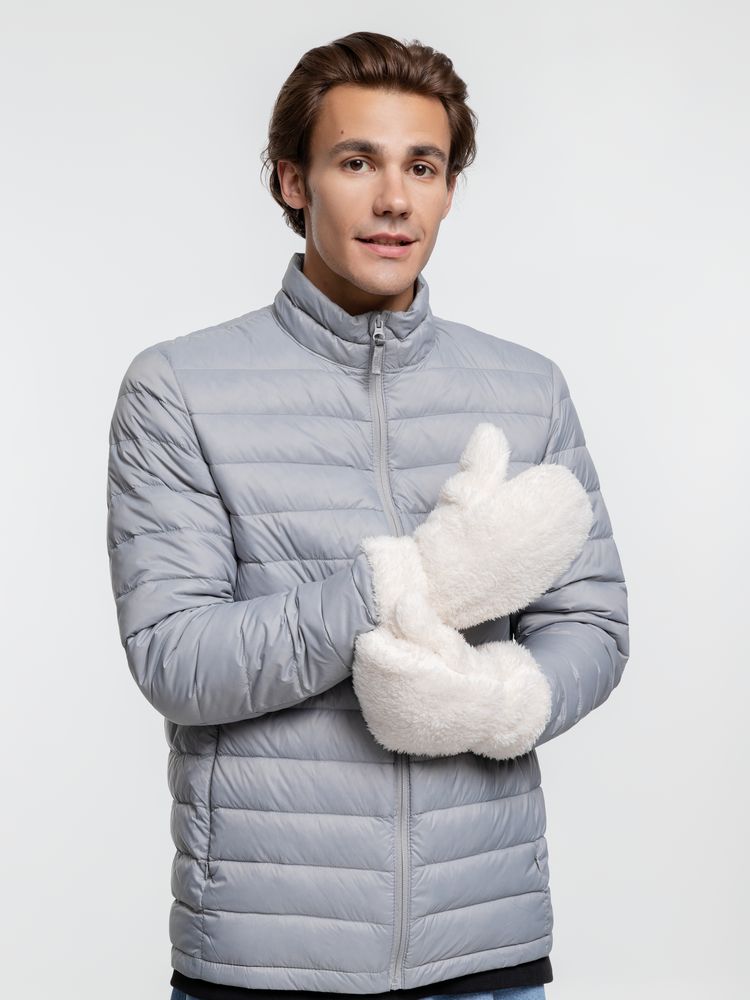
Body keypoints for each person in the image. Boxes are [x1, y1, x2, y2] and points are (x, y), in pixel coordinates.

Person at [106, 30, 629, 1000]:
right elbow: (177, 658)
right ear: (292, 180)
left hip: (484, 946)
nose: (395, 199)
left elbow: (591, 624)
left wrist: (500, 699)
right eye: (357, 162)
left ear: (449, 187)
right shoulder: (179, 389)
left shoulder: (528, 390)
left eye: (422, 166)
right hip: (265, 955)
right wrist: (408, 581)